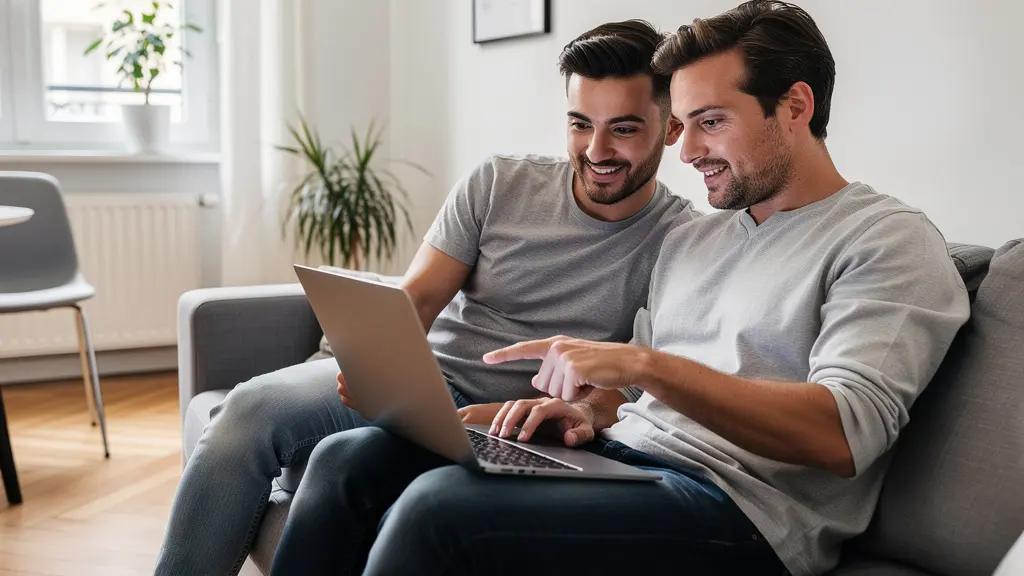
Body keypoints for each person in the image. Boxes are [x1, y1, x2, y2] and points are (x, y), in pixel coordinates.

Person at [266, 2, 971, 575]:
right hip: (621, 460)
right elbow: (624, 400)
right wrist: (571, 413)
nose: (688, 150)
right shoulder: (696, 238)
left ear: (794, 105)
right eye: (684, 124)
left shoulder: (887, 241)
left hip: (741, 514)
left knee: (436, 510)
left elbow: (845, 433)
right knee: (349, 459)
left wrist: (641, 365)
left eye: (711, 122)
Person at [155, 19, 700, 576]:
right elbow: (414, 302)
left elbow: (637, 379)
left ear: (673, 128)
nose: (597, 149)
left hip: (509, 419)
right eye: (580, 124)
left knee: (345, 463)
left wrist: (579, 411)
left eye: (625, 129)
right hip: (422, 381)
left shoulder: (683, 242)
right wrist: (378, 368)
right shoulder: (498, 183)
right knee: (244, 412)